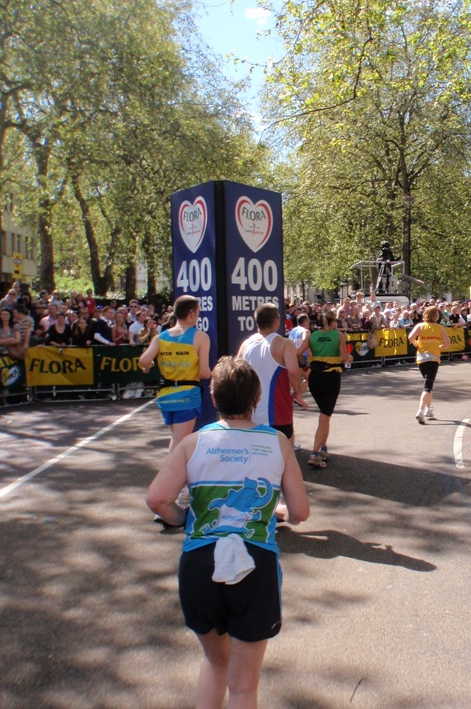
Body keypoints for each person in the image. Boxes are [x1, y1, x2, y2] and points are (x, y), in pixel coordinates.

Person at [146, 356, 310, 709]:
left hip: (200, 563)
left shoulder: (192, 443)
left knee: (215, 661)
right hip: (255, 564)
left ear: (214, 398)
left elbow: (158, 499)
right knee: (244, 685)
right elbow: (300, 512)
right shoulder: (277, 442)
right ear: (256, 398)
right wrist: (280, 515)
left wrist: (183, 518)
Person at [139, 295, 213, 452]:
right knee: (179, 443)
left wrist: (152, 364)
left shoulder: (161, 338)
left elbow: (144, 361)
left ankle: (180, 473)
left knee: (178, 439)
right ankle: (171, 474)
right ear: (192, 314)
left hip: (166, 396)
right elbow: (205, 373)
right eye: (198, 312)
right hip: (187, 396)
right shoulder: (200, 337)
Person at [237, 304, 307, 448]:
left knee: (256, 455)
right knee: (284, 454)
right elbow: (293, 372)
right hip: (277, 411)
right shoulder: (284, 343)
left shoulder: (246, 344)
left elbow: (236, 373)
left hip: (251, 412)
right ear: (276, 321)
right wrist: (298, 392)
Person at [305, 310, 351, 468]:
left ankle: (323, 448)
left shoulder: (312, 335)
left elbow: (299, 352)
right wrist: (350, 357)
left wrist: (306, 364)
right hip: (330, 378)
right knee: (324, 417)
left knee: (325, 414)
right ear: (333, 323)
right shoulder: (339, 336)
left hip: (314, 379)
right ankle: (315, 453)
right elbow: (345, 358)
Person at [407, 305, 452, 424]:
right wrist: (441, 346)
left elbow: (410, 337)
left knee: (428, 383)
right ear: (436, 316)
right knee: (427, 386)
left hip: (421, 358)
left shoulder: (420, 326)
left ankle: (428, 409)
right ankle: (420, 411)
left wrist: (416, 343)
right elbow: (448, 343)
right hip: (433, 358)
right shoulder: (440, 328)